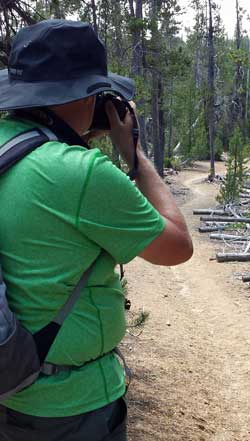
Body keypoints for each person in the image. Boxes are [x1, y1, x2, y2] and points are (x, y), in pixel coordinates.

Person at [0, 19, 193, 441]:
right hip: (70, 404)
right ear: (90, 94)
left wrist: (75, 136)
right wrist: (134, 153)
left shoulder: (9, 147)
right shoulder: (81, 173)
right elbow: (177, 247)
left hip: (9, 383)